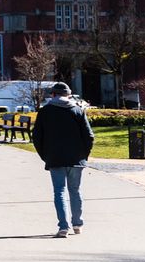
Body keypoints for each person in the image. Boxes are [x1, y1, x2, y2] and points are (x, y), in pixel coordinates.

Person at [29, 82, 95, 238]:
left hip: (55, 157)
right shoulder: (78, 110)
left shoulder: (45, 112)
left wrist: (45, 155)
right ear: (69, 95)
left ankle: (63, 226)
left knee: (59, 192)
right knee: (75, 191)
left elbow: (37, 137)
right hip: (76, 158)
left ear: (53, 95)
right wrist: (84, 154)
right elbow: (89, 136)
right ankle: (77, 224)